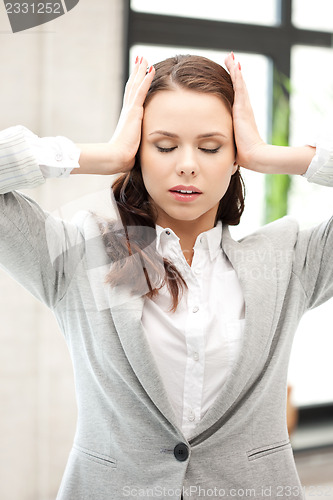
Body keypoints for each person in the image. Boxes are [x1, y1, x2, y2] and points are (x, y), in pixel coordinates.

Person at [0, 53, 332, 500]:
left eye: (212, 146)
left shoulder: (289, 259)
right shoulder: (81, 255)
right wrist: (103, 155)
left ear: (235, 157)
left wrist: (270, 155)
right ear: (140, 151)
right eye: (164, 145)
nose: (188, 165)